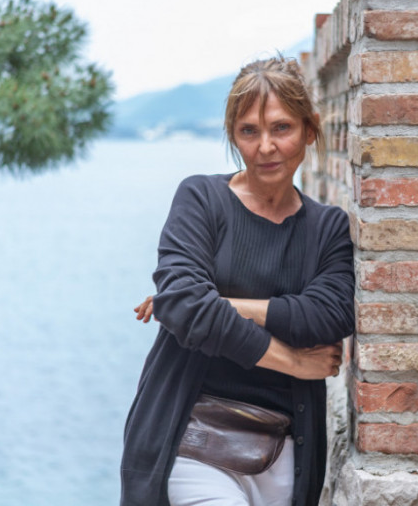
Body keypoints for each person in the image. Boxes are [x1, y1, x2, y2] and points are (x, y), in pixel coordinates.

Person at [120, 56, 355, 506]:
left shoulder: (327, 228)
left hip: (286, 454)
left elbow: (328, 316)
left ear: (309, 130)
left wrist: (221, 304)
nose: (266, 146)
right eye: (249, 131)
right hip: (191, 442)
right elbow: (186, 305)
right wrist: (292, 360)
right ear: (233, 135)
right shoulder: (201, 199)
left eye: (281, 128)